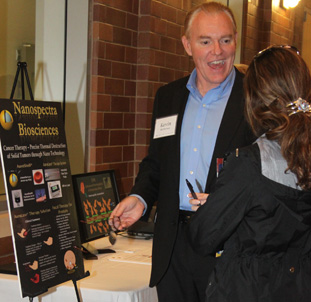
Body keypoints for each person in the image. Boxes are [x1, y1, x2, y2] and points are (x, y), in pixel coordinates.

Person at [109, 2, 255, 301]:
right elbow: (156, 164)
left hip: (229, 249)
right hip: (172, 246)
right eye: (205, 41)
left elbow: (268, 177)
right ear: (187, 45)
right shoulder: (168, 97)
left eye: (225, 40)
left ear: (235, 41)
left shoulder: (255, 100)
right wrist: (140, 198)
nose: (218, 51)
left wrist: (225, 203)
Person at [188, 45, 311, 302]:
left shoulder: (249, 165)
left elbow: (203, 238)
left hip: (247, 291)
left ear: (254, 100)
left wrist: (216, 207)